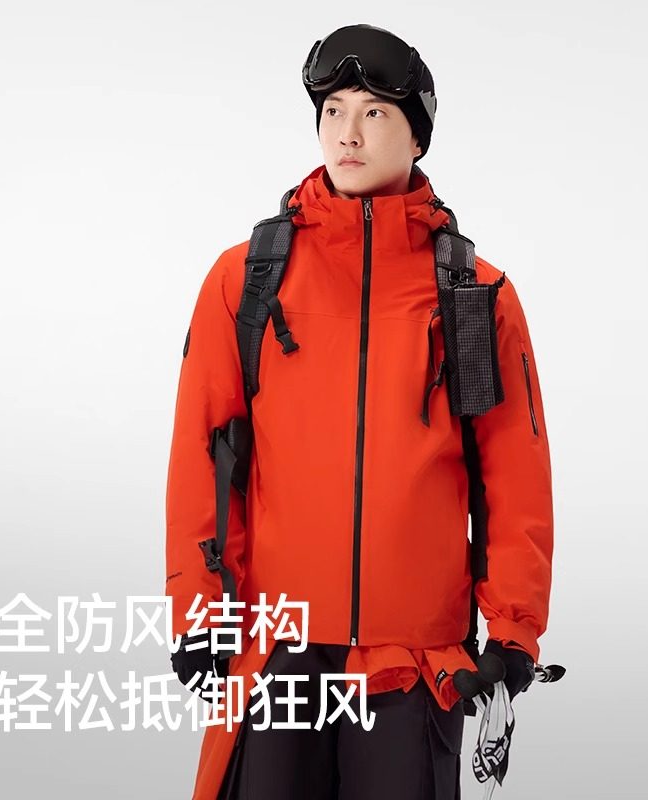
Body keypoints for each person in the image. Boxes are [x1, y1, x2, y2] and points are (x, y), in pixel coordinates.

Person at [165, 23, 554, 800]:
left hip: (412, 663)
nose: (347, 132)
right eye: (334, 110)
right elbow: (205, 458)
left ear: (418, 136)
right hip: (279, 650)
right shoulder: (248, 279)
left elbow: (513, 474)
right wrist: (198, 614)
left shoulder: (473, 296)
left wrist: (512, 630)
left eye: (374, 112)